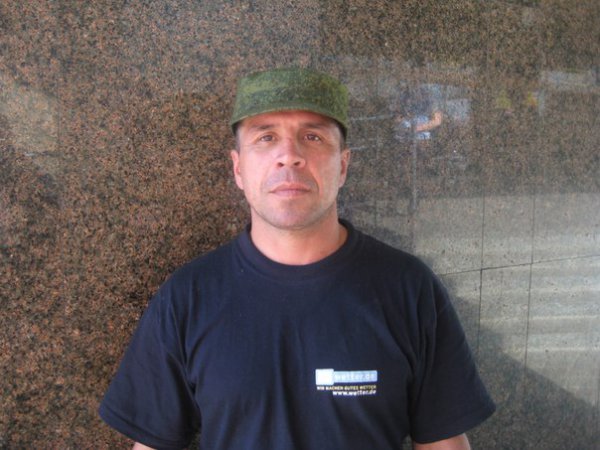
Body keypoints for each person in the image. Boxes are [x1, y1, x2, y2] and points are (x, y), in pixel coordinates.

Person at [99, 67, 495, 449]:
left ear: (343, 165)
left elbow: (443, 443)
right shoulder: (187, 298)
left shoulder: (408, 289)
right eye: (266, 137)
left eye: (312, 137)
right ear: (238, 168)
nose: (289, 156)